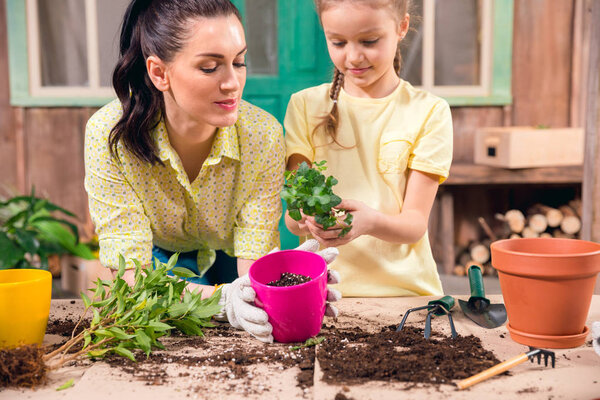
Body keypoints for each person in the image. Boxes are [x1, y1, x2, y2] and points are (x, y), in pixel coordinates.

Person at [84, 0, 339, 343]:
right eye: (210, 67)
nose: (233, 83)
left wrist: (285, 290)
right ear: (159, 73)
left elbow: (252, 273)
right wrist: (223, 302)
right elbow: (131, 280)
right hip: (157, 258)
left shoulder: (262, 136)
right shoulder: (109, 137)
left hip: (228, 252)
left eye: (239, 62)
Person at [284, 0, 453, 297]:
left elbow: (414, 224)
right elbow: (293, 220)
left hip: (406, 294)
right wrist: (307, 221)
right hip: (325, 293)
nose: (353, 56)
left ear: (401, 27)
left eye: (369, 41)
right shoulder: (304, 105)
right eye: (337, 42)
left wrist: (370, 222)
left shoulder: (429, 111)